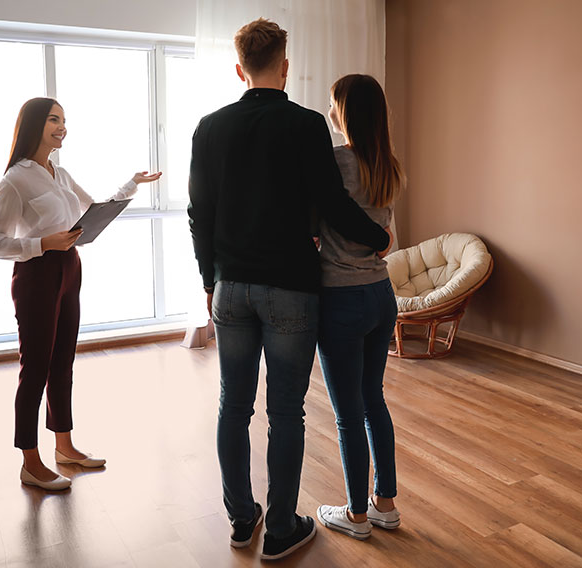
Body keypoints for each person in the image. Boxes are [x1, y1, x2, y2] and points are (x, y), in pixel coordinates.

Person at [187, 19, 391, 560]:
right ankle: (280, 529)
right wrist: (379, 236)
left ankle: (240, 520)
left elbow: (199, 214)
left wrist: (210, 278)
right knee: (286, 412)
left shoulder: (209, 127)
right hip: (293, 292)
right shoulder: (305, 126)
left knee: (234, 406)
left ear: (239, 69)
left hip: (230, 287)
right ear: (285, 65)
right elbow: (332, 202)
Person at [0, 97, 161, 491]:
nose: (62, 127)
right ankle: (30, 461)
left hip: (70, 268)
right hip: (36, 274)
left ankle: (64, 446)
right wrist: (43, 244)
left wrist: (131, 184)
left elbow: (92, 207)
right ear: (33, 125)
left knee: (63, 361)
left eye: (64, 120)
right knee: (36, 368)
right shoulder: (15, 180)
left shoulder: (59, 173)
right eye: (53, 120)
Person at [313, 74, 404, 540]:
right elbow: (385, 239)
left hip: (341, 297)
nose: (329, 111)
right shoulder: (388, 165)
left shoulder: (334, 163)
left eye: (333, 103)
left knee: (348, 412)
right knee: (374, 402)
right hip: (379, 295)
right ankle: (385, 503)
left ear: (343, 111)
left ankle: (355, 515)